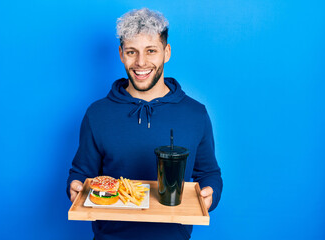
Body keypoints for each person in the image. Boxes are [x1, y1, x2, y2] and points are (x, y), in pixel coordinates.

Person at [67, 8, 223, 240]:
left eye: (151, 51)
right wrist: (75, 186)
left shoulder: (195, 113)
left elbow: (209, 173)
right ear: (121, 54)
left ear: (166, 52)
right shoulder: (97, 113)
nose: (141, 63)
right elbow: (81, 172)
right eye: (132, 52)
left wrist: (211, 194)